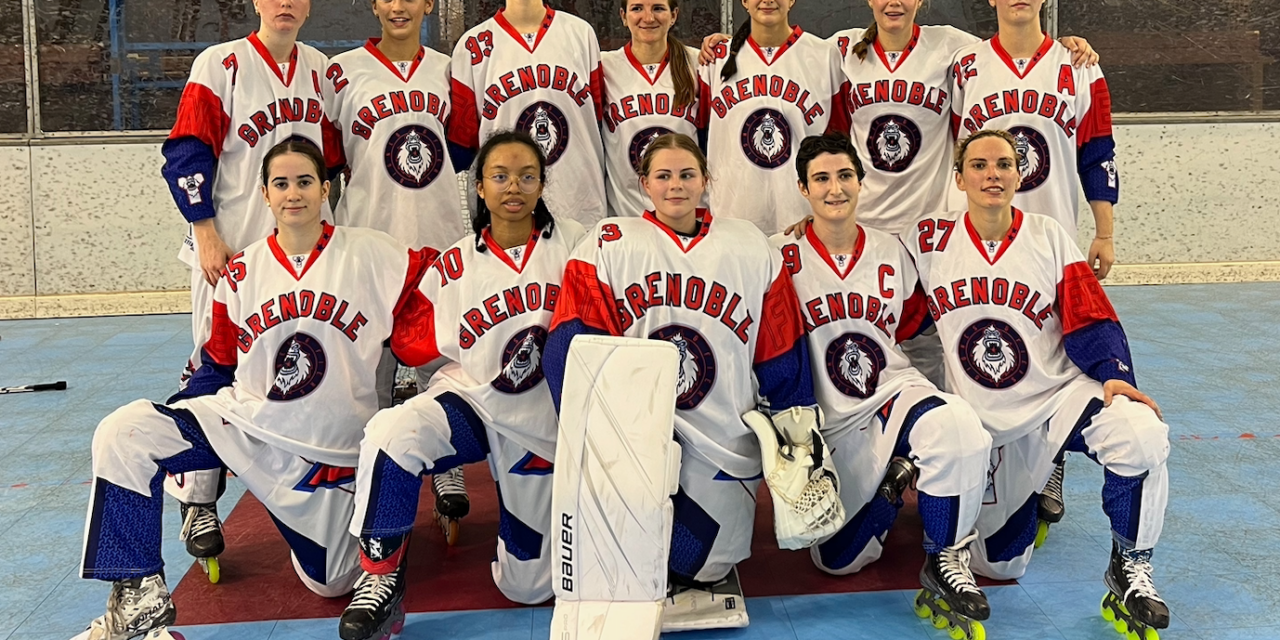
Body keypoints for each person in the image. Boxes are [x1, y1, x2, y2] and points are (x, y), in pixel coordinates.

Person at [75, 140, 435, 640]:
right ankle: (137, 595)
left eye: (305, 181)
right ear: (264, 194)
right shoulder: (241, 272)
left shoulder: (377, 254)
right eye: (281, 184)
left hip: (329, 452)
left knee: (331, 583)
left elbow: (442, 298)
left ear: (325, 189)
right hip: (249, 429)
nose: (294, 194)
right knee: (126, 432)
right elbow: (218, 365)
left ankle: (380, 546)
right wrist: (178, 422)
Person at [903, 130, 1170, 638]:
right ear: (958, 178)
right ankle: (955, 542)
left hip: (1056, 399)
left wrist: (1115, 375)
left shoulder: (1047, 234)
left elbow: (1089, 314)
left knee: (1140, 432)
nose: (992, 175)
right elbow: (895, 310)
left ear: (1019, 174)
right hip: (983, 421)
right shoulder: (929, 241)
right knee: (1001, 566)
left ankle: (1130, 566)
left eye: (1004, 164)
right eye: (979, 166)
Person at [545, 133, 816, 631]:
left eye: (687, 175)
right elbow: (572, 347)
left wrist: (796, 434)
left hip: (724, 438)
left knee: (702, 562)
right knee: (616, 562)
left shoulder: (747, 245)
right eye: (664, 176)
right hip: (639, 440)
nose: (676, 186)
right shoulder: (608, 243)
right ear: (644, 183)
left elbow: (780, 347)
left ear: (706, 181)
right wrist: (593, 437)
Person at [340, 131, 586, 640]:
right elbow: (412, 346)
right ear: (478, 187)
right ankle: (381, 576)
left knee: (528, 588)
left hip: (547, 422)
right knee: (393, 430)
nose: (512, 187)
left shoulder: (582, 244)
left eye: (526, 176)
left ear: (542, 185)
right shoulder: (453, 263)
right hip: (476, 404)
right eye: (499, 176)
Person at [774, 133, 993, 639]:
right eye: (822, 179)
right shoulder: (778, 256)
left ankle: (944, 557)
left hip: (893, 392)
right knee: (836, 560)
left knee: (956, 425)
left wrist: (947, 392)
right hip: (830, 420)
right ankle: (894, 484)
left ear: (861, 182)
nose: (835, 189)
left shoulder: (892, 252)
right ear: (804, 189)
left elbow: (921, 331)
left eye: (845, 176)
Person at [159, 0, 342, 575]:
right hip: (231, 259)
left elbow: (332, 161)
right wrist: (205, 231)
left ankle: (314, 491)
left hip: (300, 262)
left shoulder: (319, 69)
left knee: (303, 371)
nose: (284, 3)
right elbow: (188, 151)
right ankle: (198, 499)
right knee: (213, 375)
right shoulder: (221, 63)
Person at [323, 0, 472, 540]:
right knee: (369, 372)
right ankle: (370, 485)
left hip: (437, 242)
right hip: (367, 244)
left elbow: (459, 149)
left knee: (443, 361)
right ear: (374, 4)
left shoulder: (449, 67)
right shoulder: (341, 73)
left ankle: (447, 469)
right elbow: (329, 160)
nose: (399, 5)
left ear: (427, 3)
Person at [950, 0, 1118, 279]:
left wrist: (1105, 235)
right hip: (975, 238)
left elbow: (1097, 156)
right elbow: (949, 149)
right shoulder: (964, 66)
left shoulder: (1080, 66)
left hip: (1052, 237)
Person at [448, 0, 607, 227]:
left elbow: (598, 121)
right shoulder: (471, 45)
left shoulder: (581, 34)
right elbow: (463, 147)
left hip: (580, 204)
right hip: (508, 212)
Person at [696, 0, 850, 235]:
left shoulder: (825, 56)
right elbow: (698, 138)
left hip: (802, 220)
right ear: (744, 2)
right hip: (731, 219)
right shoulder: (715, 59)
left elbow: (839, 145)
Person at [601, 0, 702, 217]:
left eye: (658, 8)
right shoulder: (603, 66)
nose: (648, 18)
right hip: (627, 217)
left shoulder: (699, 63)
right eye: (637, 8)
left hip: (685, 214)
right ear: (623, 16)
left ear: (674, 15)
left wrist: (727, 44)